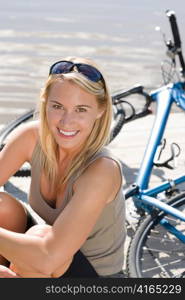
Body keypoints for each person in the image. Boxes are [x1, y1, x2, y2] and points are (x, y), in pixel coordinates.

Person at [0, 57, 126, 278]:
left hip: (93, 278)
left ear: (100, 110)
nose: (67, 122)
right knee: (3, 207)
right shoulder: (30, 137)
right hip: (49, 261)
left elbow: (48, 257)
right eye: (57, 106)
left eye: (81, 109)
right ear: (45, 102)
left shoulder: (102, 170)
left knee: (40, 237)